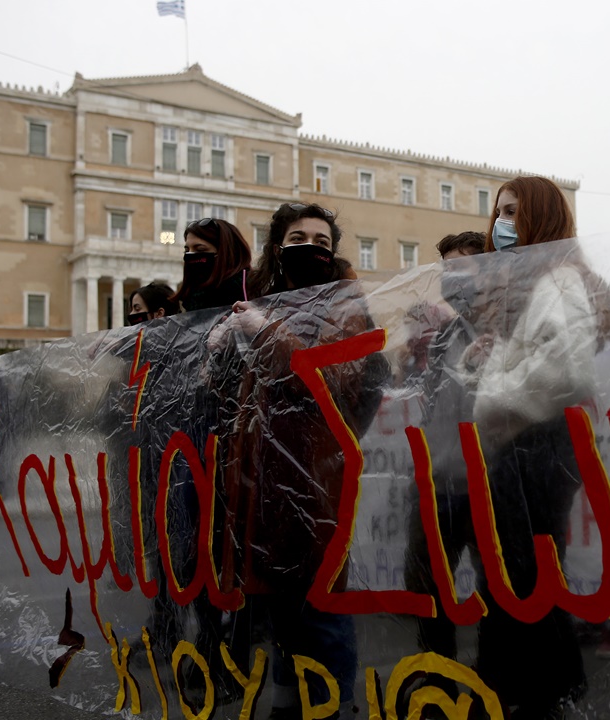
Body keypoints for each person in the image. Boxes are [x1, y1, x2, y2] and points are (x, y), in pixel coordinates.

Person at [205, 201, 388, 718]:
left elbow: (332, 379)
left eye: (322, 241)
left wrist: (266, 332)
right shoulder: (268, 301)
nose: (310, 247)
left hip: (317, 475)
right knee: (280, 602)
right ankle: (290, 693)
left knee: (321, 601)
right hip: (262, 477)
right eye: (297, 237)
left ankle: (336, 703)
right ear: (277, 246)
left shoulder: (345, 305)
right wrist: (219, 350)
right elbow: (232, 396)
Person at [465, 175, 604, 718]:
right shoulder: (522, 283)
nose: (503, 224)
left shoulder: (560, 278)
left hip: (537, 446)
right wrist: (486, 361)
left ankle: (533, 692)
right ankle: (531, 686)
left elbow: (566, 366)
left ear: (541, 217)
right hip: (519, 446)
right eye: (499, 212)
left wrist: (493, 394)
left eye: (515, 212)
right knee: (513, 571)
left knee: (524, 573)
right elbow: (528, 356)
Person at [400, 231, 489, 669]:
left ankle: (495, 679)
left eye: (461, 268)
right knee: (426, 579)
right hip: (438, 479)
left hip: (487, 478)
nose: (451, 280)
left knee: (496, 585)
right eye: (446, 270)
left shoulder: (502, 327)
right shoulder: (443, 336)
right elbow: (432, 404)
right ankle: (438, 673)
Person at [170, 217, 252, 312]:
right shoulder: (189, 298)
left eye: (200, 250)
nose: (190, 255)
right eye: (187, 250)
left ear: (226, 252)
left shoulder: (249, 290)